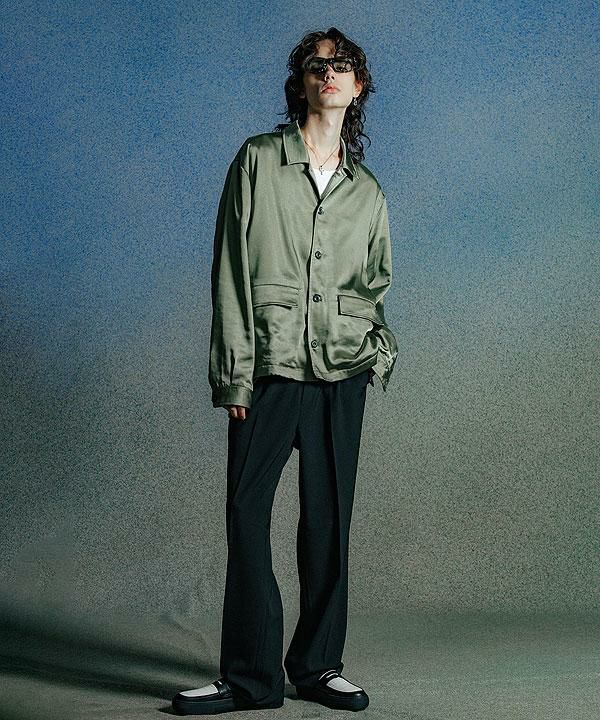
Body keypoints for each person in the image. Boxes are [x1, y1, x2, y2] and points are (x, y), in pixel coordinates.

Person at [172, 26, 398, 716]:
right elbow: (231, 273)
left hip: (341, 374)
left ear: (358, 86)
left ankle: (318, 666)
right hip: (268, 368)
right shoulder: (257, 161)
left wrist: (375, 352)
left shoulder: (367, 191)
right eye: (317, 64)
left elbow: (375, 282)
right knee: (247, 515)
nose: (330, 73)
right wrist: (234, 375)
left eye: (343, 65)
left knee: (328, 524)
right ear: (300, 83)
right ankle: (250, 678)